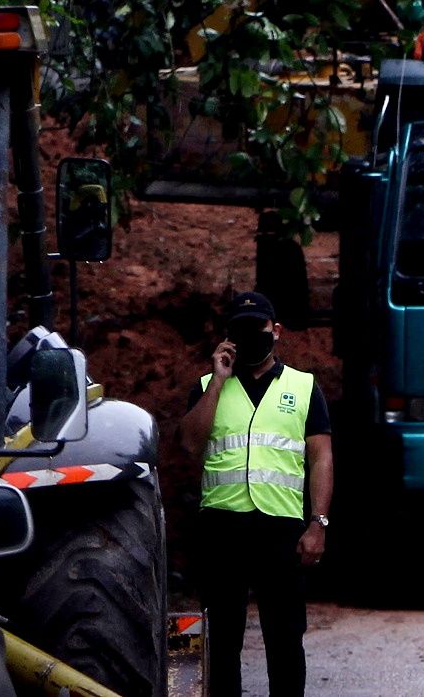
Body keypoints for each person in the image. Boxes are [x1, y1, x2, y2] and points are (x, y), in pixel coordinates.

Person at [178, 290, 332, 697]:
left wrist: (318, 523)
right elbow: (190, 444)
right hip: (222, 529)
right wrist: (219, 381)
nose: (251, 338)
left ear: (276, 331)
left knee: (284, 640)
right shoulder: (209, 385)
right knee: (222, 642)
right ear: (228, 336)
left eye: (258, 329)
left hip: (280, 530)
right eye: (240, 331)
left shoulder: (303, 387)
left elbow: (321, 458)